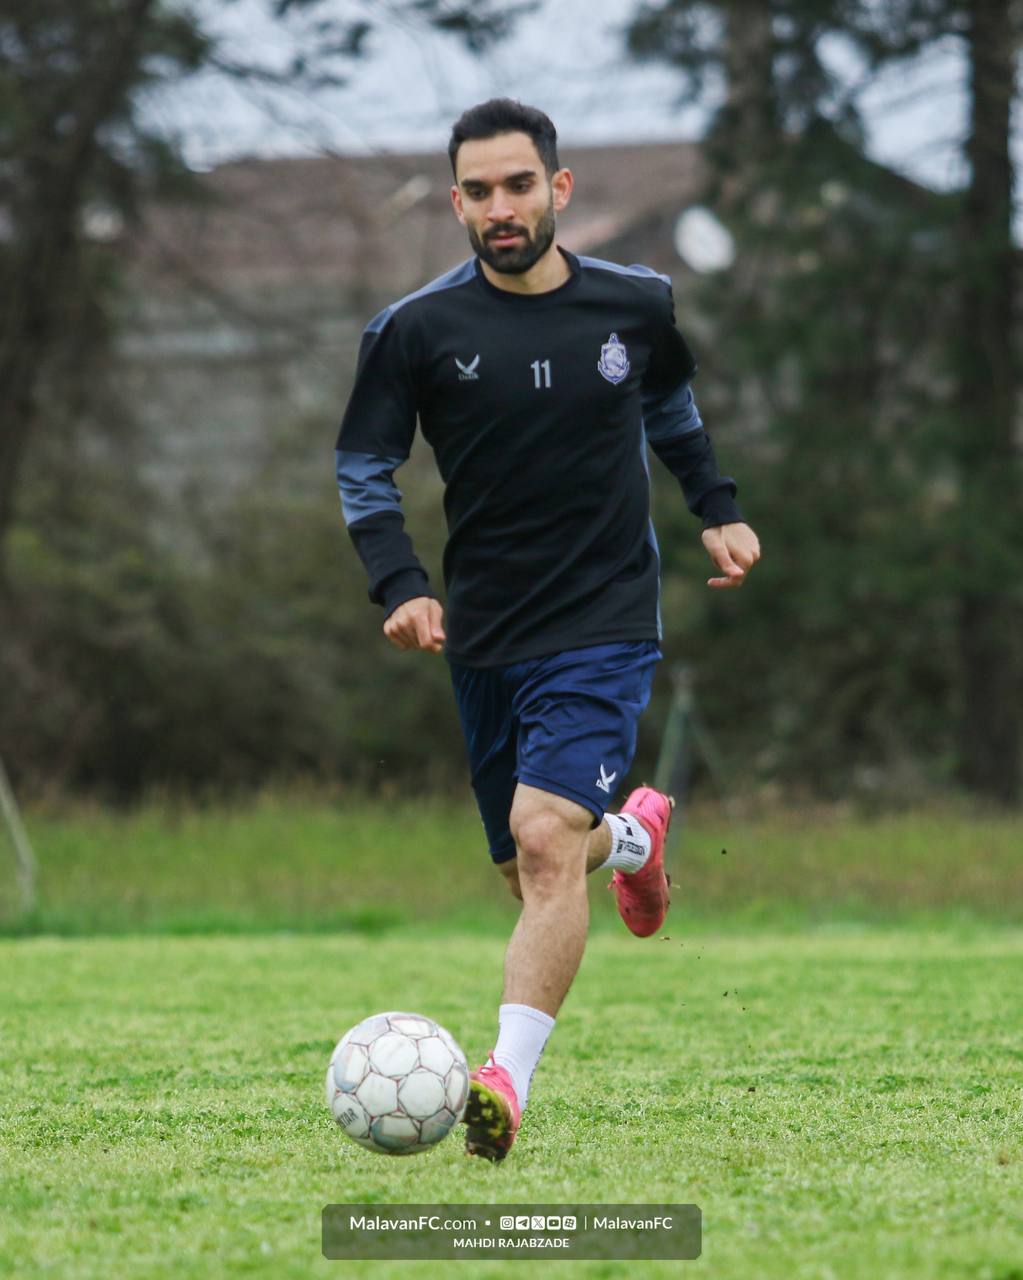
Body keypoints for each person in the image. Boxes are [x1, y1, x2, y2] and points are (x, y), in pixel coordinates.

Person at [335, 99, 760, 1161]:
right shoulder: (414, 330)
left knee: (540, 838)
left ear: (557, 188)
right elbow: (363, 465)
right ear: (456, 203)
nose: (501, 208)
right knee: (529, 867)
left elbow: (671, 410)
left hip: (604, 614)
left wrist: (715, 507)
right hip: (486, 630)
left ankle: (502, 1083)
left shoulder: (635, 303)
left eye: (519, 185)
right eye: (479, 191)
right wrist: (399, 582)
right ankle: (636, 839)